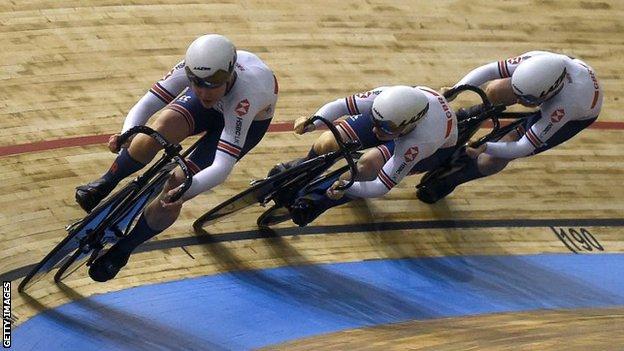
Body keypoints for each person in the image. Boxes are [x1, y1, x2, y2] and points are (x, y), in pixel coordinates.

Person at [77, 34, 279, 281]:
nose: (204, 91)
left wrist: (185, 190)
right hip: (216, 106)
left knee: (176, 184)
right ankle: (106, 181)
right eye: (197, 83)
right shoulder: (191, 70)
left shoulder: (246, 95)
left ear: (228, 75)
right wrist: (125, 136)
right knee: (157, 129)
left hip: (246, 121)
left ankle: (124, 249)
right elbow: (145, 106)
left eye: (213, 84)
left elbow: (222, 166)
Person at [416, 50, 603, 203]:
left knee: (492, 158)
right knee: (495, 91)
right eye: (518, 94)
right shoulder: (536, 60)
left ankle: (452, 178)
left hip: (574, 117)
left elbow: (523, 147)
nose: (519, 101)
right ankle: (475, 116)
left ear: (548, 94)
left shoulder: (566, 107)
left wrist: (486, 147)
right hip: (556, 86)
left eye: (526, 100)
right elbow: (489, 71)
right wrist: (455, 90)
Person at [279, 85, 458, 226]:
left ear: (408, 125)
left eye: (383, 128)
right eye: (374, 121)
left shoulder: (420, 143)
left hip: (434, 148)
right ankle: (300, 171)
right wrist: (313, 123)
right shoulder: (384, 97)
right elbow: (340, 105)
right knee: (328, 141)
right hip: (394, 123)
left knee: (369, 164)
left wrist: (346, 188)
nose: (375, 130)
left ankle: (316, 203)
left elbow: (381, 186)